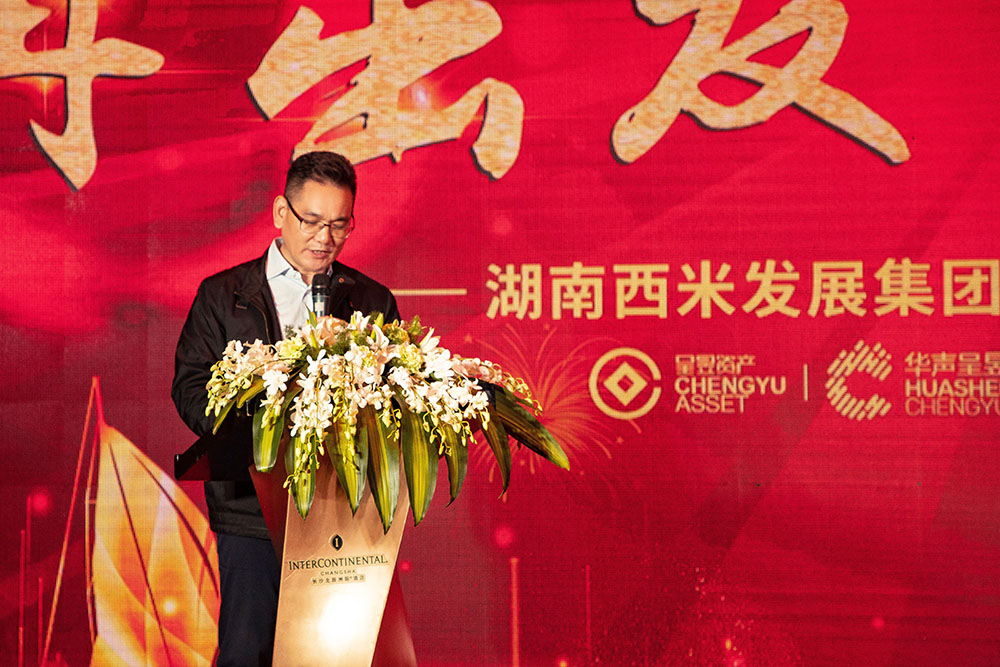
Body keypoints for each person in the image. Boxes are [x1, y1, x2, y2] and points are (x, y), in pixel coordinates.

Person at [171, 151, 399, 666]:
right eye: (312, 221)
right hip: (250, 506)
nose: (325, 238)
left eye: (339, 225)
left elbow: (392, 395)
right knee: (247, 650)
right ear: (280, 212)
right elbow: (190, 386)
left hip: (339, 509)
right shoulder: (223, 295)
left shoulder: (371, 301)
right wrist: (252, 424)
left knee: (333, 655)